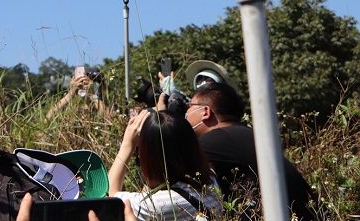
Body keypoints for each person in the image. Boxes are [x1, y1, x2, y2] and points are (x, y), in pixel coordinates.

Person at [185, 82, 320, 220]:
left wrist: (164, 120)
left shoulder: (217, 139)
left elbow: (168, 161)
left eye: (189, 106)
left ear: (205, 112)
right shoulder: (244, 135)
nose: (186, 113)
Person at [108, 109, 223, 220]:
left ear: (150, 159)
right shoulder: (211, 180)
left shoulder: (160, 204)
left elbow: (109, 196)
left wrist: (127, 144)